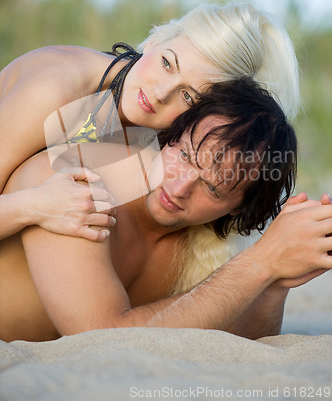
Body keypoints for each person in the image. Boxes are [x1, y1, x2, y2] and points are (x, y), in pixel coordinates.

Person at [4, 77, 330, 344]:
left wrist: (277, 278)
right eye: (185, 156)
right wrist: (261, 260)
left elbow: (241, 339)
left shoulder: (200, 245)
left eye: (213, 188)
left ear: (237, 210)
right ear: (172, 135)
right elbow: (102, 339)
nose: (179, 188)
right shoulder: (75, 184)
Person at [0, 3, 300, 243]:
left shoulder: (168, 138)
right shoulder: (54, 90)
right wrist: (34, 206)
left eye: (188, 96)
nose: (159, 94)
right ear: (155, 39)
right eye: (167, 63)